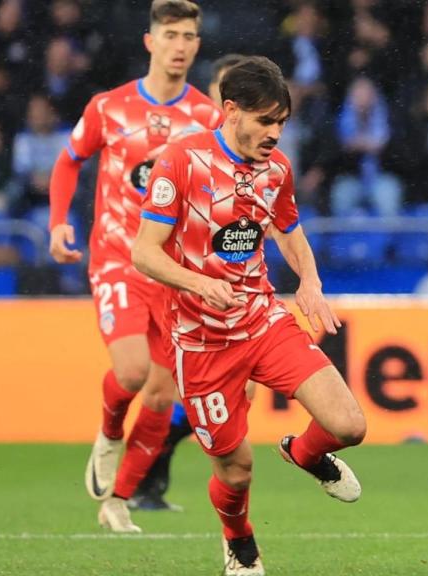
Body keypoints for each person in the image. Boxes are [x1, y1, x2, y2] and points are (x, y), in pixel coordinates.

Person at [132, 56, 366, 575]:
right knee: (236, 472)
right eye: (265, 121)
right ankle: (239, 543)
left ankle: (305, 454)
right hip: (201, 343)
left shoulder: (276, 169)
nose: (275, 133)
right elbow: (144, 252)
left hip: (262, 320)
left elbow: (288, 227)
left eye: (282, 121)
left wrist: (310, 282)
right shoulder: (181, 161)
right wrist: (199, 283)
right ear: (230, 110)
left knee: (349, 425)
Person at [47, 0, 223, 532]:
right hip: (119, 259)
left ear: (196, 45)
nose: (180, 44)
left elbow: (216, 193)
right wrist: (59, 222)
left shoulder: (206, 118)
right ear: (151, 42)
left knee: (164, 394)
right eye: (170, 34)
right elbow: (68, 159)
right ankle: (108, 431)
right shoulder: (109, 107)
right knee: (130, 372)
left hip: (173, 273)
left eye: (189, 35)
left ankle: (118, 500)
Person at [129, 51, 249, 512]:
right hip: (184, 284)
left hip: (234, 281)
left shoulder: (254, 155)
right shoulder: (187, 149)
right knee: (164, 391)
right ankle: (146, 475)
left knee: (240, 390)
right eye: (224, 94)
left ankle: (162, 469)